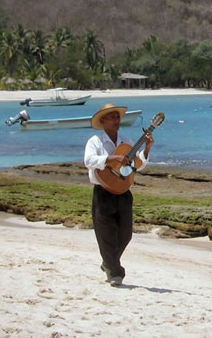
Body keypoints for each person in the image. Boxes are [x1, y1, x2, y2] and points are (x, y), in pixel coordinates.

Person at [84, 103, 154, 287]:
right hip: (103, 191)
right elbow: (88, 161)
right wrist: (112, 158)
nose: (116, 120)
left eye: (118, 117)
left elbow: (138, 164)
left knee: (125, 234)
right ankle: (115, 272)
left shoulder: (127, 141)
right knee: (106, 233)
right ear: (103, 121)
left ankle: (108, 262)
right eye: (112, 117)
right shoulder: (95, 141)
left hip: (123, 191)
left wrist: (147, 148)